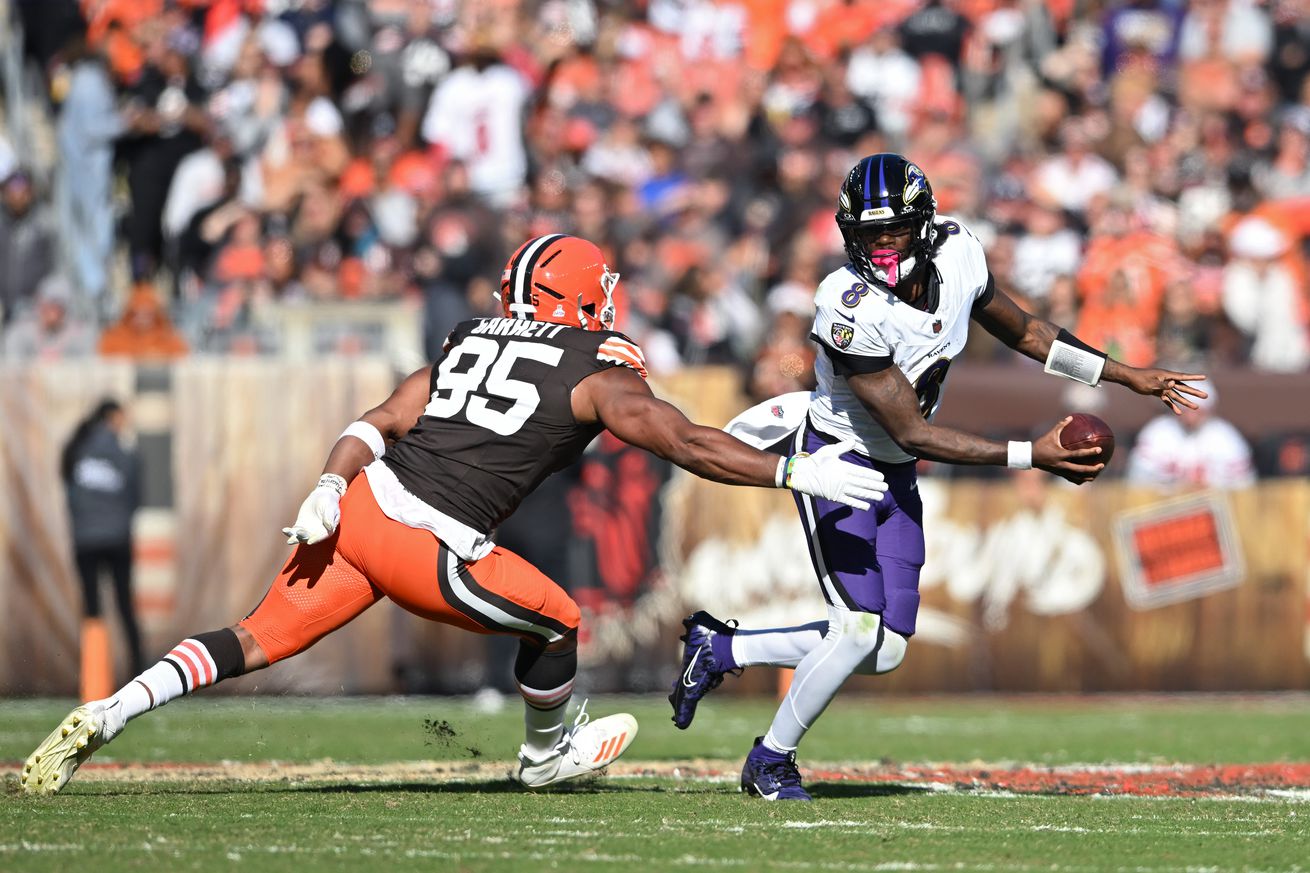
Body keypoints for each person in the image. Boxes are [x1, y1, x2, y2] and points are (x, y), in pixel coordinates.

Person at [22, 234, 888, 796]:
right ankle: (544, 756)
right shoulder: (596, 365)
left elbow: (380, 420)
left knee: (250, 638)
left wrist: (328, 485)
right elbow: (684, 441)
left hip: (361, 505)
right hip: (427, 540)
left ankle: (105, 713)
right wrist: (791, 469)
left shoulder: (471, 336)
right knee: (557, 619)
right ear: (580, 299)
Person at [668, 154, 1207, 802]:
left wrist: (1124, 374)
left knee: (886, 648)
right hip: (839, 464)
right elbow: (912, 432)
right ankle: (770, 760)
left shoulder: (958, 256)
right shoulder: (848, 307)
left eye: (894, 230)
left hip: (892, 467)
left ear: (923, 225)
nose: (882, 245)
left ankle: (721, 648)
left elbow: (1029, 330)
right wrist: (1028, 456)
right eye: (869, 235)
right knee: (859, 628)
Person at [61, 400, 144, 676]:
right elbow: (135, 498)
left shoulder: (76, 448)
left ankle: (94, 677)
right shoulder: (124, 453)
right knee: (125, 605)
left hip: (85, 541)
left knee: (92, 608)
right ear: (113, 417)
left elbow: (70, 495)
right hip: (118, 539)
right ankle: (139, 673)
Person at [1126, 386, 1255, 488]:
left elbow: (1243, 485)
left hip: (1214, 509)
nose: (1191, 416)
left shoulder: (1226, 437)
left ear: (1209, 409)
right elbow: (1137, 481)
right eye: (1185, 408)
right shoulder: (1157, 433)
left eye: (1197, 409)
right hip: (1163, 510)